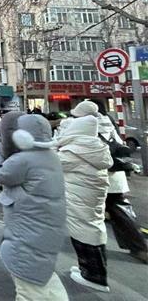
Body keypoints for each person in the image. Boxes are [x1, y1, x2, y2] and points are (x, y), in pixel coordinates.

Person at [0, 112, 69, 301]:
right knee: (45, 278)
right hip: (46, 228)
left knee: (28, 289)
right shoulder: (51, 156)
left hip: (27, 232)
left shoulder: (23, 160)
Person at [70, 100, 148, 264]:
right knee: (120, 210)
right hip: (115, 176)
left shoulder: (85, 126)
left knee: (90, 215)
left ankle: (93, 257)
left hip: (95, 176)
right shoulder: (109, 122)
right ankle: (138, 247)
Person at [56, 115, 113, 292]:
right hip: (92, 195)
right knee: (93, 230)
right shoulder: (96, 146)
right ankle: (90, 270)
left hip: (79, 197)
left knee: (83, 232)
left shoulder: (73, 150)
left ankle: (94, 276)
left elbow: (53, 164)